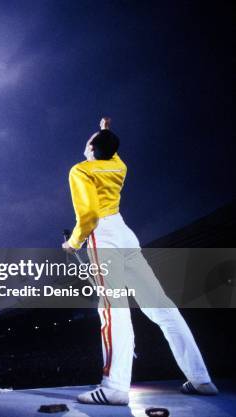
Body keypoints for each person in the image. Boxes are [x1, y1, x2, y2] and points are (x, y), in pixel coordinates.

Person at [61, 117, 218, 406]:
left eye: (90, 140)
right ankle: (201, 379)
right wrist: (106, 131)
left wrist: (73, 243)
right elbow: (111, 148)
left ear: (92, 148)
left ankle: (114, 387)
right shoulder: (119, 165)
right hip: (125, 235)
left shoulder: (80, 171)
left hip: (103, 235)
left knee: (112, 308)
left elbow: (89, 217)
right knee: (162, 307)